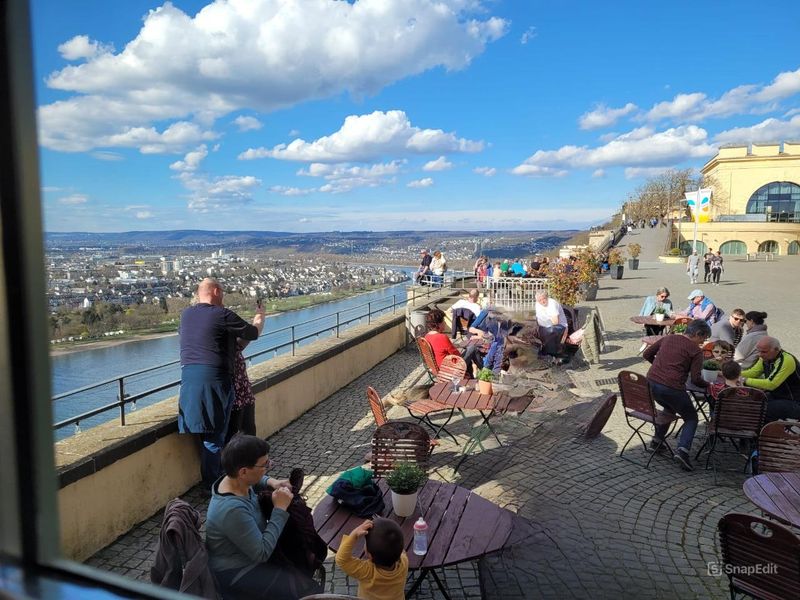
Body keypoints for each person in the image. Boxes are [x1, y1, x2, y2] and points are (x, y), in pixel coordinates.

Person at [179, 278, 264, 489]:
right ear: (216, 291)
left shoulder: (186, 315)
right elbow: (251, 333)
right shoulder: (221, 314)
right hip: (215, 382)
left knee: (204, 434)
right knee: (216, 437)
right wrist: (260, 318)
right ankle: (216, 485)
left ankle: (215, 481)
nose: (223, 297)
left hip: (189, 382)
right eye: (223, 293)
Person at [206, 435, 309, 600]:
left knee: (300, 560)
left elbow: (255, 480)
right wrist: (280, 509)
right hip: (238, 571)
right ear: (244, 471)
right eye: (264, 465)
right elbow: (261, 553)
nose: (268, 467)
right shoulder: (231, 510)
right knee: (302, 588)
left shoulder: (233, 480)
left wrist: (272, 482)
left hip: (249, 555)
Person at [643, 319, 712, 471]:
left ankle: (656, 441)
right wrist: (710, 385)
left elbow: (647, 354)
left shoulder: (668, 338)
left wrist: (659, 367)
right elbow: (696, 379)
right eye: (703, 338)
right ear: (697, 334)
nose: (702, 342)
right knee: (691, 418)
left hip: (651, 384)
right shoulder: (695, 351)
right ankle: (683, 451)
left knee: (669, 407)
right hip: (672, 388)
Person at [335, 517, 408, 600]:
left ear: (369, 555)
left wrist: (354, 534)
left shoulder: (368, 572)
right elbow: (399, 548)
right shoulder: (404, 562)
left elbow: (342, 559)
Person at [740, 337, 800, 422]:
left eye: (764, 352)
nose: (760, 354)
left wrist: (743, 380)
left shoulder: (786, 360)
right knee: (751, 402)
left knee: (763, 409)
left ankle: (763, 433)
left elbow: (771, 384)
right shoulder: (766, 357)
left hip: (795, 402)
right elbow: (754, 372)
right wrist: (731, 373)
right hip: (779, 397)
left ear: (776, 350)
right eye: (758, 351)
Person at [534, 289, 567, 356]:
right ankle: (538, 351)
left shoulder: (552, 304)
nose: (542, 301)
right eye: (539, 300)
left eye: (544, 299)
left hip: (560, 326)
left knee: (550, 331)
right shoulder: (537, 304)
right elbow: (538, 319)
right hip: (545, 325)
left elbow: (555, 322)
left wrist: (544, 325)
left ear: (547, 297)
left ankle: (552, 353)